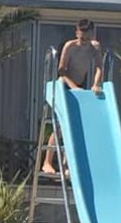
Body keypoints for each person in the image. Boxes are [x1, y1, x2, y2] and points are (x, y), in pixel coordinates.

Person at [41, 19, 104, 174]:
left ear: (92, 35)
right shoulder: (70, 46)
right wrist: (73, 87)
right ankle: (47, 162)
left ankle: (67, 165)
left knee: (75, 126)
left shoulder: (95, 47)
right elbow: (61, 70)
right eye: (82, 38)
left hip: (80, 87)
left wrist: (95, 84)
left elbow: (99, 67)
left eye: (87, 38)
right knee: (60, 126)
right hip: (64, 85)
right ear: (77, 33)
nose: (84, 42)